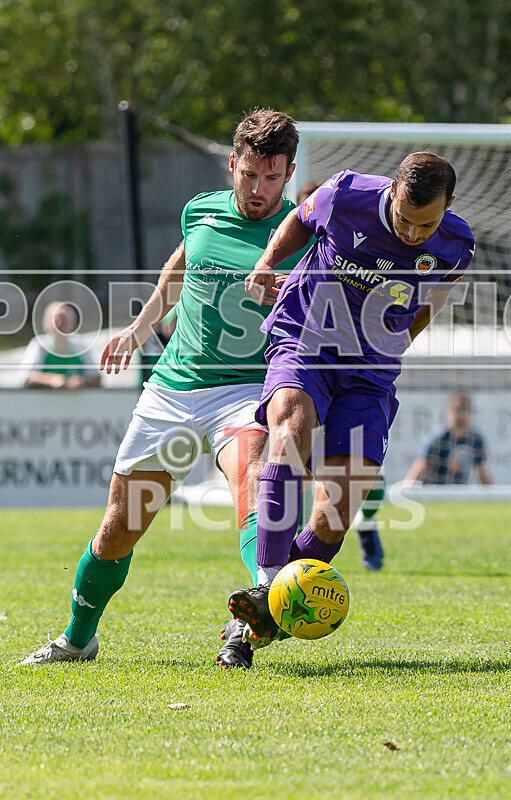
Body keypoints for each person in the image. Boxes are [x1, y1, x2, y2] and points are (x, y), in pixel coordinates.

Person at [19, 109, 304, 670]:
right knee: (118, 530)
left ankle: (259, 608)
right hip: (173, 389)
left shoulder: (302, 234)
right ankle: (77, 640)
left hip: (246, 390)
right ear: (232, 164)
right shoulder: (200, 211)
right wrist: (139, 327)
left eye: (272, 178)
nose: (259, 189)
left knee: (257, 482)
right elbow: (180, 264)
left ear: (289, 174)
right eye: (250, 174)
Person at [228, 152, 476, 641]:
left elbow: (432, 301)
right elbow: (301, 221)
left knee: (336, 512)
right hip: (306, 338)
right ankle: (266, 585)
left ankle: (265, 616)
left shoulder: (457, 244)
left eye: (425, 225)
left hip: (370, 369)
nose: (412, 233)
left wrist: (397, 343)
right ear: (391, 193)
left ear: (448, 206)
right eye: (403, 219)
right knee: (290, 434)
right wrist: (266, 262)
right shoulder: (346, 194)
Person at [298, 179, 387, 571]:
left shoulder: (361, 248)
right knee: (290, 462)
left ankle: (365, 521)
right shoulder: (293, 247)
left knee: (358, 470)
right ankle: (277, 568)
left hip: (358, 370)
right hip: (302, 366)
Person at [405, 391, 491, 485]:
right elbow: (421, 467)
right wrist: (407, 488)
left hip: (459, 491)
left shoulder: (476, 440)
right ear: (449, 411)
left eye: (465, 409)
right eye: (457, 410)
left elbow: (481, 472)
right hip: (435, 490)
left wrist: (492, 492)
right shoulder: (437, 439)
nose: (461, 415)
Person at [22, 301, 101, 390]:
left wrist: (82, 380)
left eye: (64, 320)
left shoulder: (79, 344)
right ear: (46, 323)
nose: (60, 324)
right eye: (56, 320)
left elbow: (96, 377)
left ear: (72, 323)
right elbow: (27, 376)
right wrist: (50, 379)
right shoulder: (39, 344)